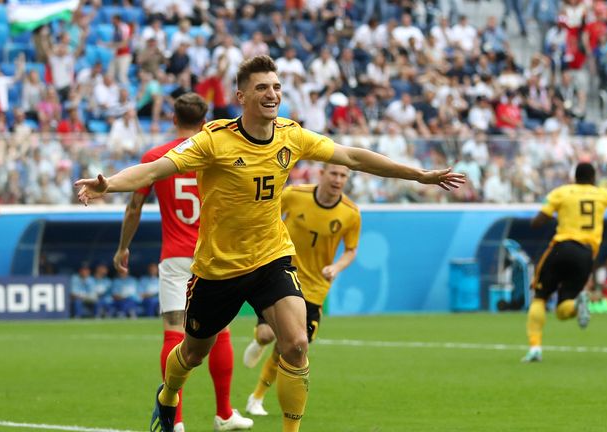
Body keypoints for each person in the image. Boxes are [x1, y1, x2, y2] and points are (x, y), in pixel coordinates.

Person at [75, 55, 464, 432]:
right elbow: (156, 168)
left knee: (296, 344)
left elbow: (352, 155)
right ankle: (169, 394)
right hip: (218, 268)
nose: (272, 93)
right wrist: (109, 183)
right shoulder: (214, 142)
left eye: (276, 86)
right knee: (193, 353)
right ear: (242, 97)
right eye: (262, 87)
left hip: (271, 257)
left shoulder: (291, 135)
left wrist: (418, 175)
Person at [112, 93, 253, 432]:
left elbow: (133, 208)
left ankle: (174, 420)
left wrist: (122, 249)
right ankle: (224, 413)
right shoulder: (216, 152)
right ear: (205, 122)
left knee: (174, 333)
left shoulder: (156, 156)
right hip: (215, 255)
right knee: (220, 331)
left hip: (176, 256)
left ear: (173, 119)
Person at [243, 164, 361, 417]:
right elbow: (268, 216)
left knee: (292, 348)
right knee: (266, 336)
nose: (338, 180)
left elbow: (351, 250)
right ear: (322, 173)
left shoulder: (351, 213)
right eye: (334, 174)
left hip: (315, 288)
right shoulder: (296, 195)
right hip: (282, 276)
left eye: (343, 176)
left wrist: (337, 266)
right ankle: (258, 340)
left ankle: (256, 398)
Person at [522, 162, 607, 363]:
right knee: (563, 308)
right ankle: (577, 303)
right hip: (586, 255)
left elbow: (537, 222)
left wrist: (552, 215)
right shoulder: (602, 194)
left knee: (540, 297)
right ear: (593, 178)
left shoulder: (562, 192)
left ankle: (535, 348)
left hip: (562, 247)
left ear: (575, 177)